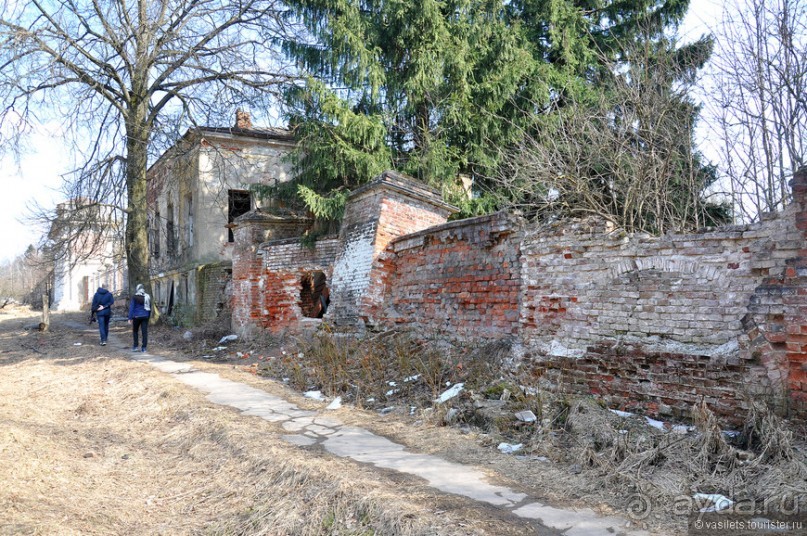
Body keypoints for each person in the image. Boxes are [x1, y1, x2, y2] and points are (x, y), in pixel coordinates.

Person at [128, 283, 152, 352]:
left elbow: (132, 308)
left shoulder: (135, 297)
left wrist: (130, 318)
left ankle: (135, 346)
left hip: (136, 316)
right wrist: (148, 316)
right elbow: (149, 307)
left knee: (135, 331)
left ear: (137, 289)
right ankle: (144, 348)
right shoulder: (147, 296)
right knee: (144, 332)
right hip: (145, 316)